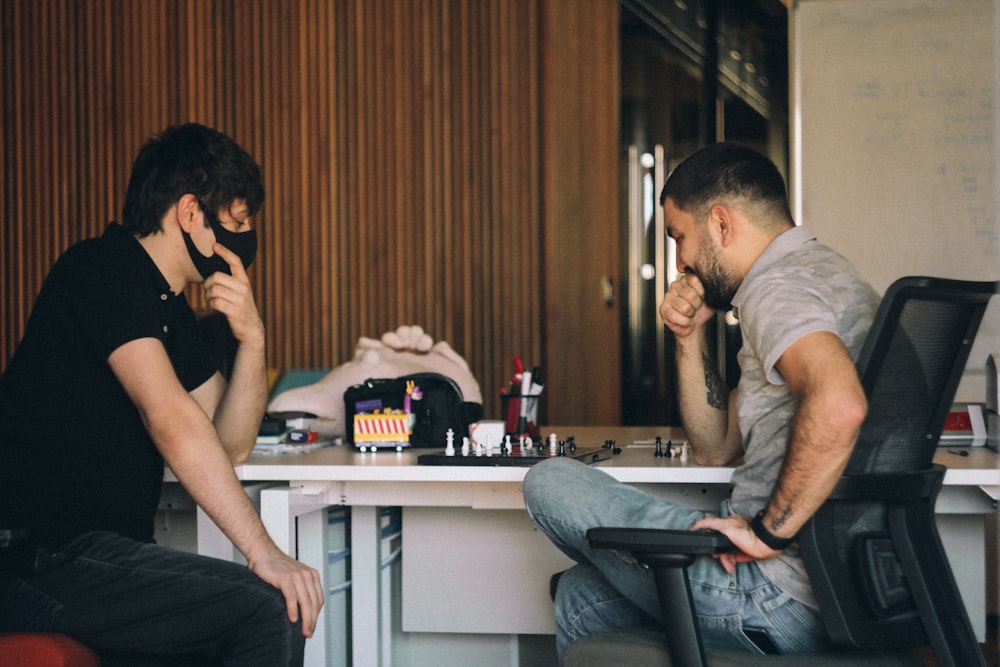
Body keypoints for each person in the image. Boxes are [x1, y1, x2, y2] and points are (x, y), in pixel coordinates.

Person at [523, 142, 881, 661]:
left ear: (720, 223)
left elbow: (840, 404)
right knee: (583, 599)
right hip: (843, 591)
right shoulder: (828, 276)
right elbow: (715, 448)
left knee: (548, 479)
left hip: (770, 587)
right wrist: (687, 337)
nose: (680, 260)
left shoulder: (776, 291)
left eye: (678, 236)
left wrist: (767, 533)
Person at [0, 123, 324, 666]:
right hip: (41, 557)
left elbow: (230, 443)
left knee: (248, 616)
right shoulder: (103, 267)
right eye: (238, 222)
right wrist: (265, 553)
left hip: (98, 557)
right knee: (267, 606)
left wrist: (253, 337)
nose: (245, 239)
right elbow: (171, 417)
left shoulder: (168, 308)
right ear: (191, 213)